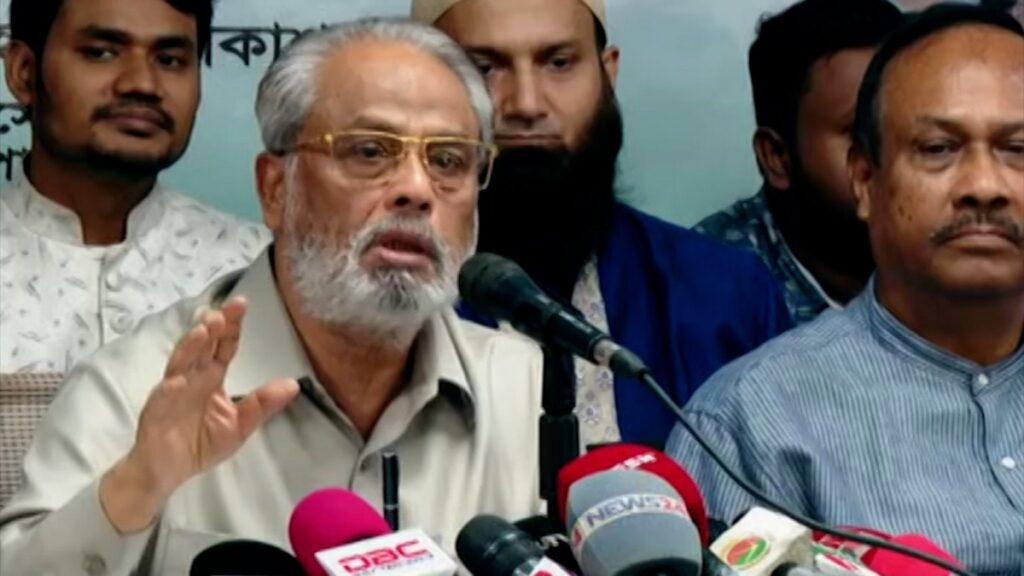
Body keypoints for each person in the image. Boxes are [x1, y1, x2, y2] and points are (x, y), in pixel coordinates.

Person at [0, 18, 544, 573]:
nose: (417, 189)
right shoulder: (134, 389)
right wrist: (136, 485)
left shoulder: (527, 391)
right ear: (275, 188)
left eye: (448, 160)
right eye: (369, 151)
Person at [668, 5, 1024, 571]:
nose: (985, 186)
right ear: (865, 179)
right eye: (938, 149)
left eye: (1018, 150)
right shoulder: (750, 422)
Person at [412, 0, 792, 449]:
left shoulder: (727, 296)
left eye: (558, 63)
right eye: (484, 68)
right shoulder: (381, 308)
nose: (527, 104)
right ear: (420, 82)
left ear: (607, 73)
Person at [0, 0, 268, 374]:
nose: (143, 84)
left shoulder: (261, 269)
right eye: (101, 53)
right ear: (23, 72)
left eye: (170, 60)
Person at [695, 0, 904, 325]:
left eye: (918, 129)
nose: (898, 158)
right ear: (776, 157)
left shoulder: (965, 241)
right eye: (861, 132)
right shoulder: (702, 292)